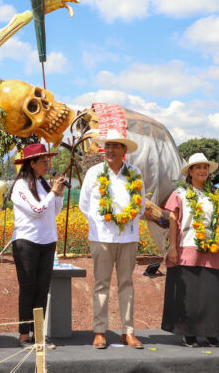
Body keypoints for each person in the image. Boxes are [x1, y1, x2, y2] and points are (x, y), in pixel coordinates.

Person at [162, 153, 219, 348]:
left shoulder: (218, 195)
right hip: (188, 245)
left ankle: (211, 333)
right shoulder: (179, 193)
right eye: (198, 167)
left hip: (216, 248)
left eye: (205, 167)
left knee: (212, 292)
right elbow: (172, 221)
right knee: (190, 292)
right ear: (190, 172)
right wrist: (172, 247)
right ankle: (189, 333)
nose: (203, 170)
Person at [79, 129, 145, 349]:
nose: (110, 150)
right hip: (102, 237)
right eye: (108, 146)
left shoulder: (135, 173)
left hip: (128, 236)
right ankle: (100, 331)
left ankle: (128, 332)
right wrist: (100, 224)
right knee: (101, 284)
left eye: (116, 146)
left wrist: (125, 220)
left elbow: (141, 205)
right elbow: (84, 205)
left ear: (124, 150)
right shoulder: (94, 172)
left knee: (127, 284)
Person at [10, 143, 66, 349]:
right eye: (43, 161)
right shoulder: (20, 186)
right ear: (32, 163)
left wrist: (58, 193)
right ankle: (24, 336)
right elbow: (37, 210)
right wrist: (53, 192)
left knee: (42, 289)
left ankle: (39, 335)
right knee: (28, 289)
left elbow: (54, 211)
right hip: (27, 243)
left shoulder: (42, 184)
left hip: (47, 242)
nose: (47, 164)